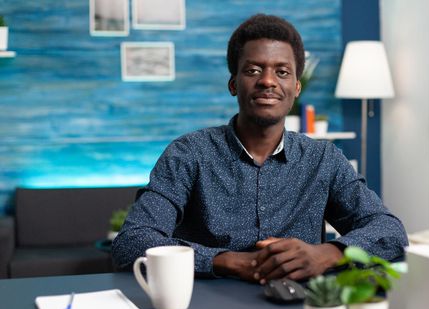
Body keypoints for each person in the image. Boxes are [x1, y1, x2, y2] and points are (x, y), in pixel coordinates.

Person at [112, 14, 408, 284]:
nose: (268, 81)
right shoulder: (188, 154)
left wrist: (328, 253)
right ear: (233, 84)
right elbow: (132, 242)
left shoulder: (323, 159)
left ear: (296, 88)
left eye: (282, 72)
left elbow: (389, 231)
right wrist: (225, 260)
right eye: (253, 70)